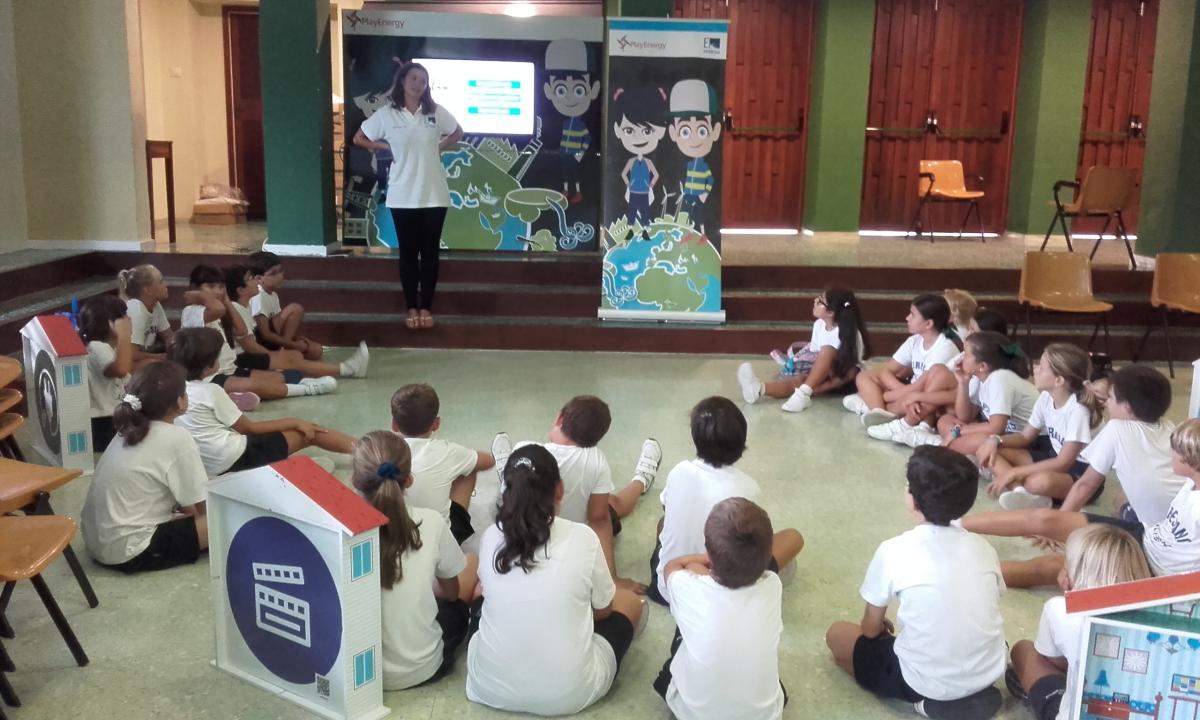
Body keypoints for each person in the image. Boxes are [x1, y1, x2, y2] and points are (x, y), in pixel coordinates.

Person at [825, 446, 1005, 720]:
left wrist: (880, 629)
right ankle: (969, 696)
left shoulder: (894, 550)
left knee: (837, 635)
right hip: (988, 671)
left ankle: (932, 703)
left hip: (921, 681)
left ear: (913, 501)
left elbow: (871, 629)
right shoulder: (983, 548)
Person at [466, 444, 647, 716]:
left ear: (507, 491)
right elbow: (604, 610)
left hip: (488, 687)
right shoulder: (584, 537)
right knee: (630, 603)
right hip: (569, 695)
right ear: (560, 490)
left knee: (484, 593)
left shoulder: (491, 536)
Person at [958, 419, 1200, 588]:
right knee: (1044, 518)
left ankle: (953, 575)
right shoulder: (1190, 482)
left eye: (1175, 450)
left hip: (1153, 569)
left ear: (1191, 460)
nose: (1170, 454)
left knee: (1054, 567)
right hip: (1143, 535)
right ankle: (952, 523)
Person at [491, 395, 662, 592]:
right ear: (597, 439)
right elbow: (599, 520)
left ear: (559, 418)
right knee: (612, 503)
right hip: (573, 537)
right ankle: (641, 478)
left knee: (518, 479)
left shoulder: (525, 449)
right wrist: (612, 579)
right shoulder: (596, 461)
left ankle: (504, 468)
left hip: (522, 525)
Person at [351, 431, 479, 691]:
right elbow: (451, 593)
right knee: (472, 563)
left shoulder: (339, 528)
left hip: (359, 676)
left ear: (355, 480)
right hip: (421, 668)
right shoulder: (430, 522)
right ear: (409, 480)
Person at [648, 396, 805, 606]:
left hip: (665, 584)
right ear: (742, 445)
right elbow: (751, 542)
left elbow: (667, 507)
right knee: (793, 538)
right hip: (713, 594)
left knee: (663, 522)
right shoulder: (747, 488)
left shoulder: (680, 470)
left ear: (695, 438)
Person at [653, 497, 787, 720]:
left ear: (708, 550)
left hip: (693, 714)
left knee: (684, 627)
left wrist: (701, 562)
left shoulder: (688, 588)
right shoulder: (773, 585)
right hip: (764, 715)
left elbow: (672, 566)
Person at [354, 61, 464, 330]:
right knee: (407, 254)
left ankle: (426, 306)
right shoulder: (387, 114)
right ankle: (410, 307)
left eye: (423, 81)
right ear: (402, 81)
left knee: (430, 254)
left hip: (434, 194)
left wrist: (440, 146)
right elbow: (359, 138)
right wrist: (383, 145)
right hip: (402, 195)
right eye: (414, 78)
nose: (418, 84)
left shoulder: (435, 112)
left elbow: (458, 132)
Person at [1007, 524, 1151, 720]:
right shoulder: (1156, 620)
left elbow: (1054, 660)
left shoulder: (1060, 610)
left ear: (1068, 578)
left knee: (1023, 650)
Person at [169, 327, 355, 476]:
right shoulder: (211, 391)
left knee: (269, 438)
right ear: (209, 366)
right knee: (313, 432)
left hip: (208, 465)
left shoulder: (171, 390)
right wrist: (296, 421)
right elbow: (249, 428)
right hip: (236, 458)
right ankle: (371, 453)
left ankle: (278, 468)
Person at [80, 361, 209, 573]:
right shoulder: (177, 438)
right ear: (179, 402)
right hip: (131, 551)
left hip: (99, 543)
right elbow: (207, 509)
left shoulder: (129, 429)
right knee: (227, 519)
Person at [180, 264, 338, 403]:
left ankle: (234, 396)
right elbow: (218, 310)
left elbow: (241, 331)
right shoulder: (192, 310)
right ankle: (307, 389)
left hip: (229, 367)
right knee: (259, 385)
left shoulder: (222, 309)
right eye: (210, 286)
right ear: (195, 288)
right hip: (209, 377)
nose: (217, 291)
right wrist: (202, 296)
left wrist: (226, 301)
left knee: (278, 378)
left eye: (220, 287)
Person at [978, 343, 1105, 510]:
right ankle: (1020, 492)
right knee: (989, 452)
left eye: (1042, 368)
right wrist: (995, 440)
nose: (1035, 369)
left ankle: (1033, 492)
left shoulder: (1078, 410)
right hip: (1054, 458)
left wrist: (1014, 472)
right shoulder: (1046, 397)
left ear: (1059, 380)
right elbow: (1025, 437)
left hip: (1083, 474)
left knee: (1037, 482)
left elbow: (1063, 463)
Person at [873, 331, 1037, 453]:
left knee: (978, 439)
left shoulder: (999, 379)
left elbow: (996, 428)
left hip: (1024, 439)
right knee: (946, 420)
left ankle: (937, 444)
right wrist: (963, 384)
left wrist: (958, 431)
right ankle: (948, 444)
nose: (961, 357)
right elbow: (965, 416)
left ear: (982, 366)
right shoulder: (981, 377)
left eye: (966, 354)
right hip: (1003, 434)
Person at [857, 307, 1009, 438]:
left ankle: (901, 420)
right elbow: (917, 378)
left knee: (940, 393)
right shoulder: (963, 355)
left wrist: (911, 395)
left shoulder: (984, 368)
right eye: (969, 328)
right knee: (865, 377)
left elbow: (954, 395)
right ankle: (883, 410)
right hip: (934, 400)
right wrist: (903, 394)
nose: (968, 333)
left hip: (957, 410)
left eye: (973, 330)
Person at [390, 383, 494, 545]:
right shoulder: (447, 451)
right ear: (436, 423)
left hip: (394, 539)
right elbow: (488, 461)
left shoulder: (382, 450)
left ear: (394, 424)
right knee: (469, 468)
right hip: (441, 541)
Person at [224, 264, 369, 380]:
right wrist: (275, 358)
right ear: (241, 290)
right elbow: (251, 347)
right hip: (242, 359)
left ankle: (302, 375)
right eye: (250, 279)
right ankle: (347, 369)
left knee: (296, 356)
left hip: (249, 356)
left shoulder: (244, 306)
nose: (256, 281)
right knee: (291, 359)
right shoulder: (237, 309)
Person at [738, 287, 870, 413]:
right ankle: (758, 389)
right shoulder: (819, 325)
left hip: (848, 379)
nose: (815, 301)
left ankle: (803, 393)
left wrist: (816, 388)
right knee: (799, 380)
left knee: (827, 350)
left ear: (830, 312)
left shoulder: (847, 332)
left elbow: (851, 371)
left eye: (820, 301)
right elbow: (817, 356)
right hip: (828, 372)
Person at [847, 294, 962, 427]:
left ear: (928, 323)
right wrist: (900, 391)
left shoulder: (945, 347)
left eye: (912, 315)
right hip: (910, 391)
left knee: (905, 402)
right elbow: (887, 370)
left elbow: (922, 388)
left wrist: (886, 395)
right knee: (864, 376)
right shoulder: (915, 340)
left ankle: (873, 404)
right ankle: (879, 411)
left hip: (928, 398)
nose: (907, 318)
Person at [544, 39, 600, 204]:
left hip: (573, 154)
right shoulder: (564, 123)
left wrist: (580, 153)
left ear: (593, 90)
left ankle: (578, 192)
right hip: (564, 153)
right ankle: (567, 190)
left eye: (578, 90)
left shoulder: (580, 124)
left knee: (575, 174)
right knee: (566, 173)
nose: (569, 97)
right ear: (548, 91)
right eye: (561, 90)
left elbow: (588, 139)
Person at [78, 294, 132, 452]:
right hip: (103, 421)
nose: (129, 320)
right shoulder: (97, 347)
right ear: (110, 324)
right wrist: (124, 336)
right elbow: (121, 370)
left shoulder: (110, 347)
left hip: (113, 416)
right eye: (124, 317)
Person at [611, 85, 668, 227]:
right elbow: (624, 173)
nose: (638, 137)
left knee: (645, 212)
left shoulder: (649, 161)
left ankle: (644, 230)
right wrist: (628, 184)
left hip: (644, 191)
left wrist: (650, 185)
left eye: (647, 131)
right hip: (634, 190)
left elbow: (656, 174)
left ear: (661, 131)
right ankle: (631, 230)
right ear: (618, 130)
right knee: (631, 211)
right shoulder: (631, 160)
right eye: (629, 130)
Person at [117, 263, 171, 367]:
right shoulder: (135, 309)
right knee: (154, 365)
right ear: (148, 290)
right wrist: (160, 357)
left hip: (141, 359)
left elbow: (169, 337)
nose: (166, 284)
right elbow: (131, 354)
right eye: (161, 281)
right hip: (125, 366)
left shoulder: (155, 304)